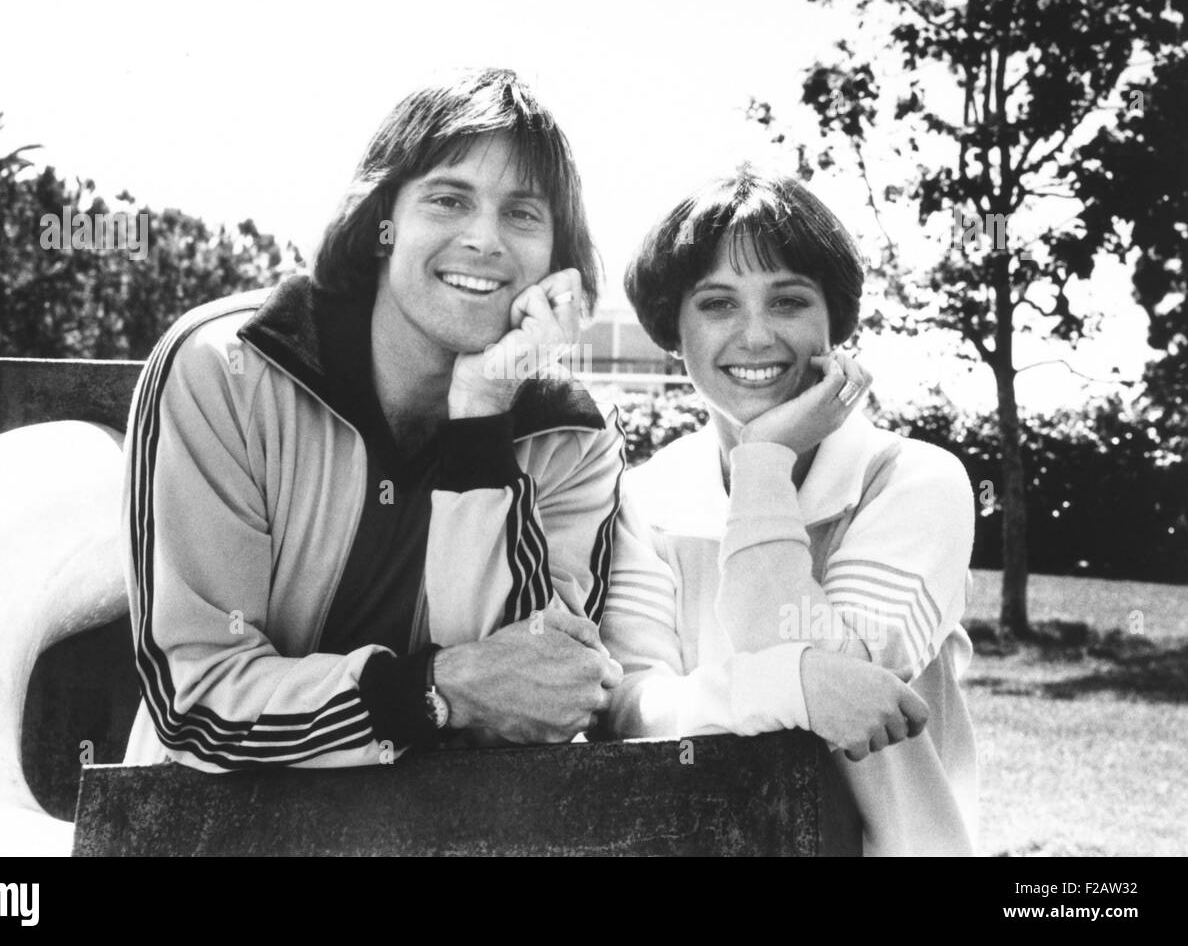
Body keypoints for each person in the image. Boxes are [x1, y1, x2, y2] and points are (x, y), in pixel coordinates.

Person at [121, 68, 627, 771]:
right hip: (205, 828)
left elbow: (530, 702)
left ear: (557, 262)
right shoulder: (226, 369)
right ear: (383, 223)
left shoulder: (573, 440)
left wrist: (480, 420)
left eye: (523, 214)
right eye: (449, 200)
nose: (485, 240)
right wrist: (429, 693)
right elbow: (200, 699)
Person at [600, 171, 978, 856]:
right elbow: (631, 713)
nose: (755, 336)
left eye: (789, 301)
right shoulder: (644, 498)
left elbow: (845, 699)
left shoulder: (914, 479)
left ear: (834, 321)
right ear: (671, 331)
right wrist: (791, 684)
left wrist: (764, 460)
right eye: (716, 304)